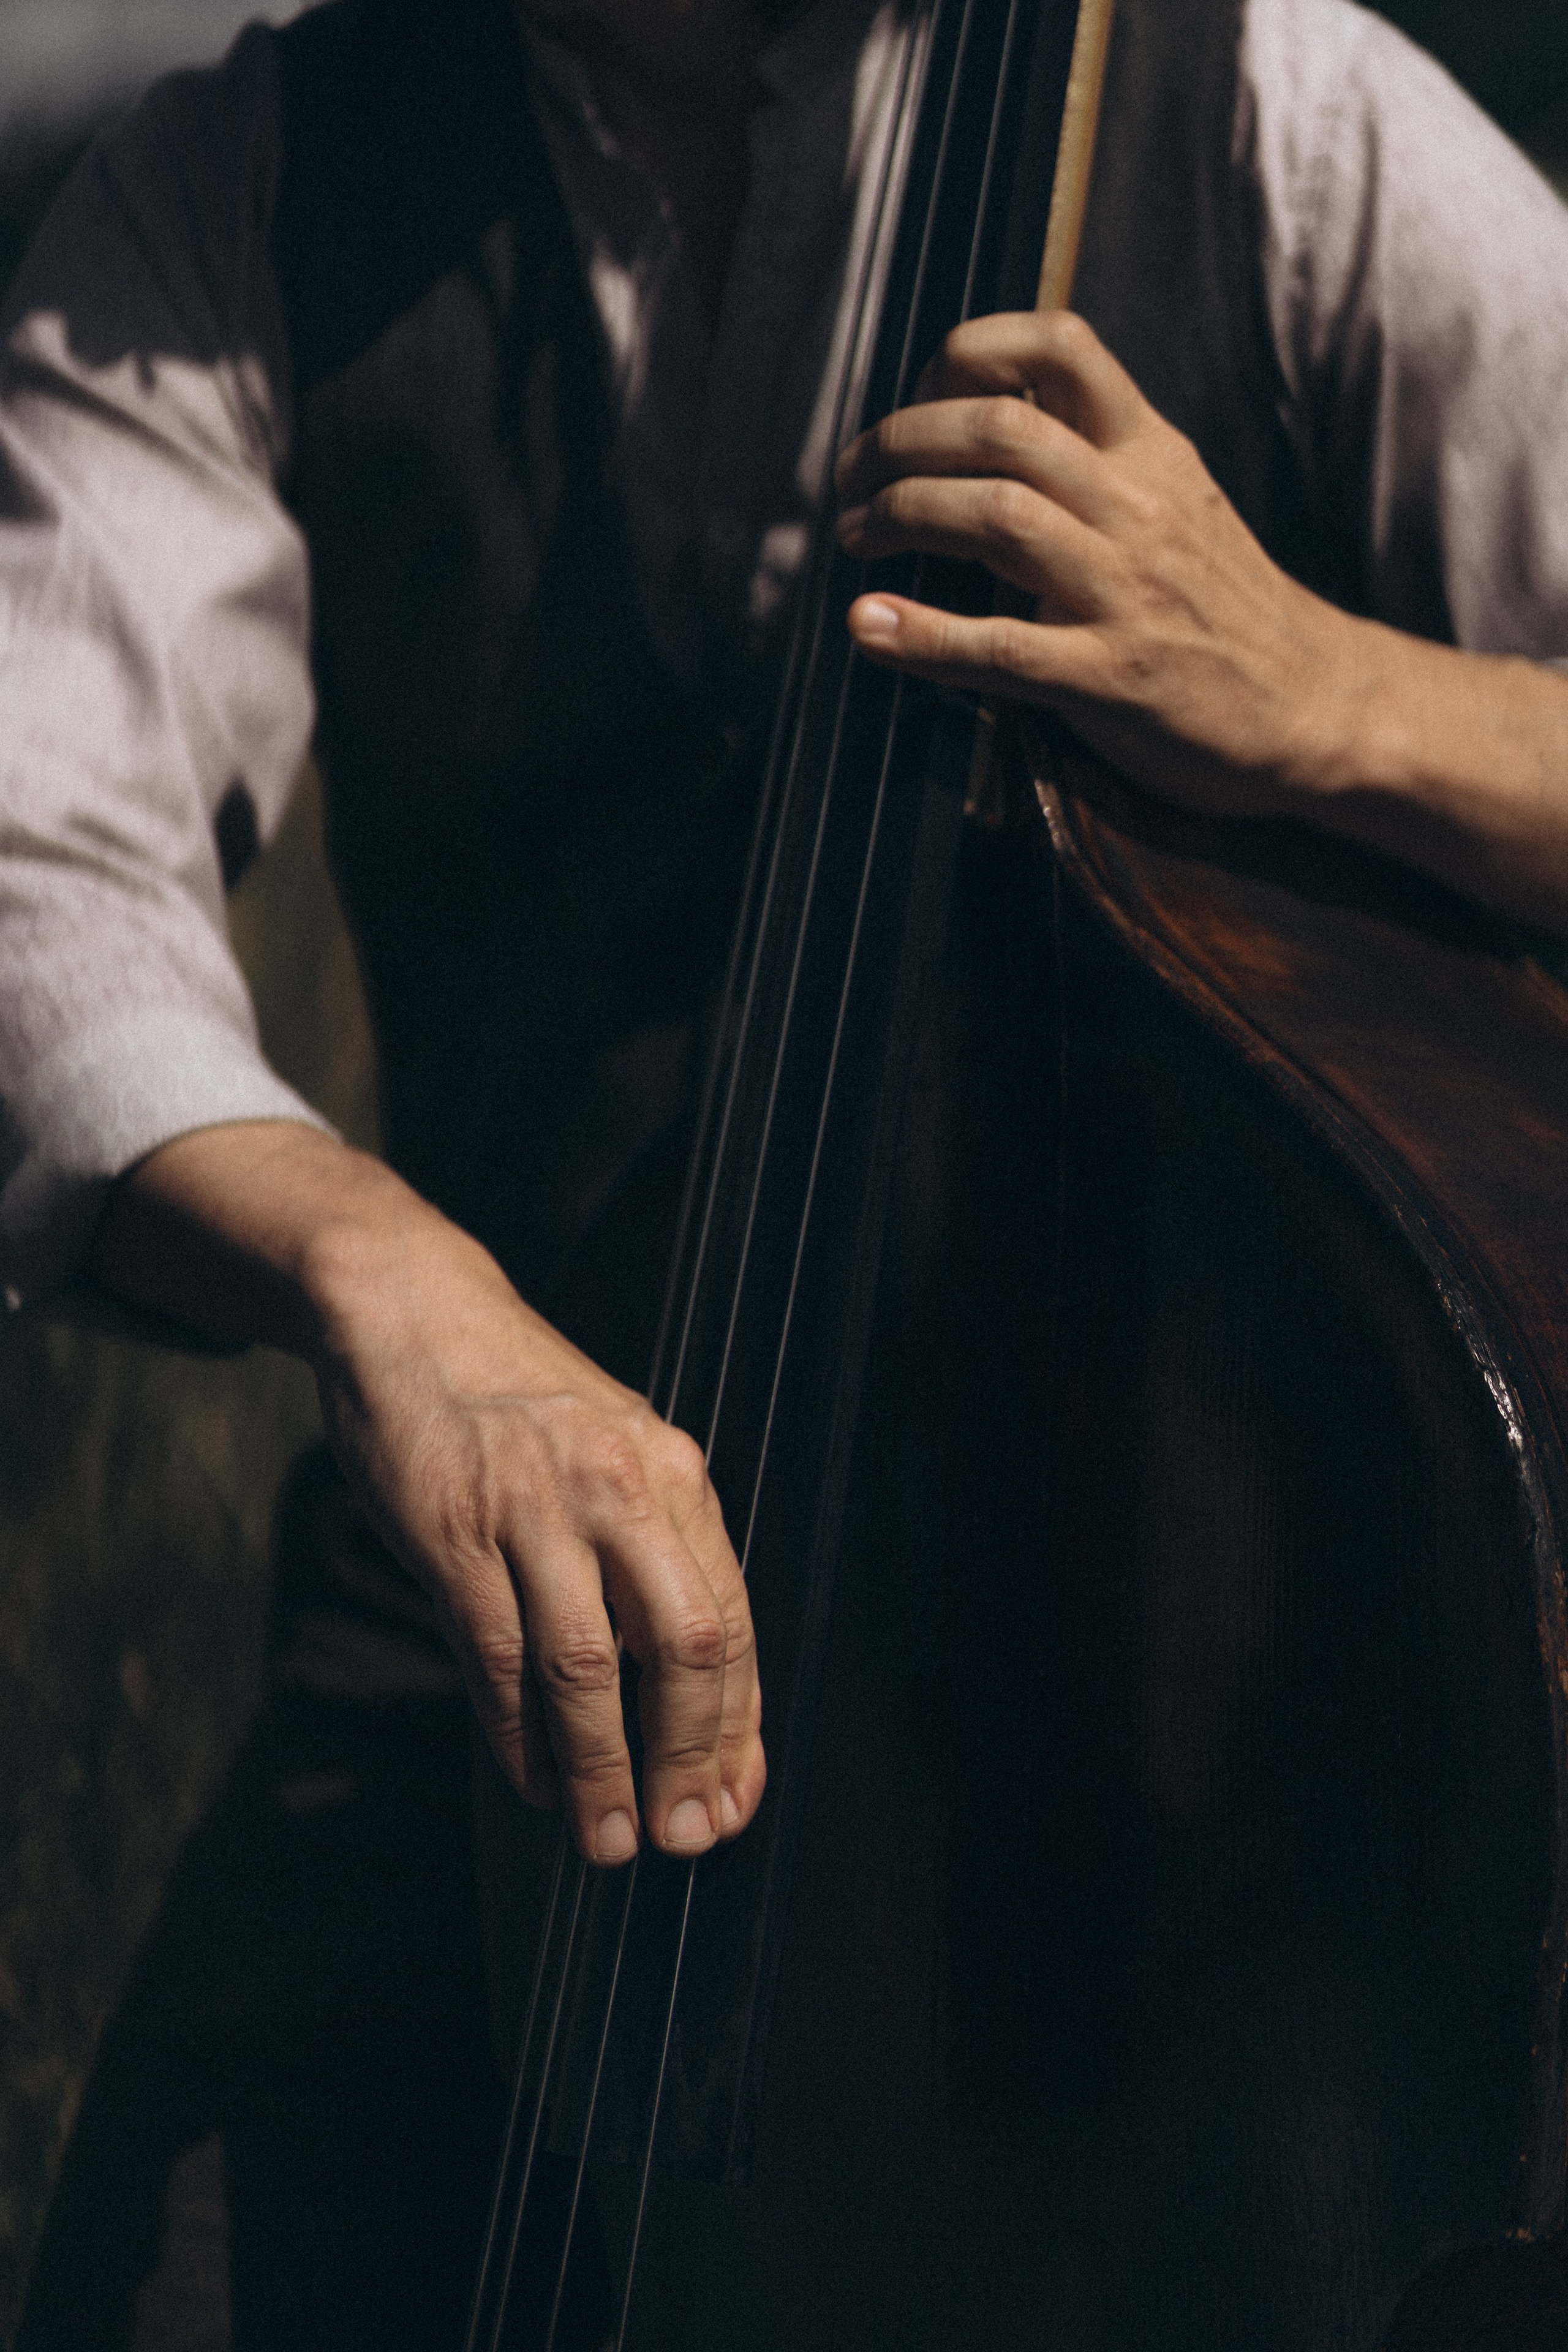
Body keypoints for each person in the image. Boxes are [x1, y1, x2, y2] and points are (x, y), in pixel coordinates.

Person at [2, 0, 1567, 2342]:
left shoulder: (1282, 122)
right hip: (500, 1669)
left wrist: (1327, 688)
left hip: (1194, 1716)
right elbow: (34, 859)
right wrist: (390, 1285)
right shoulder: (239, 185)